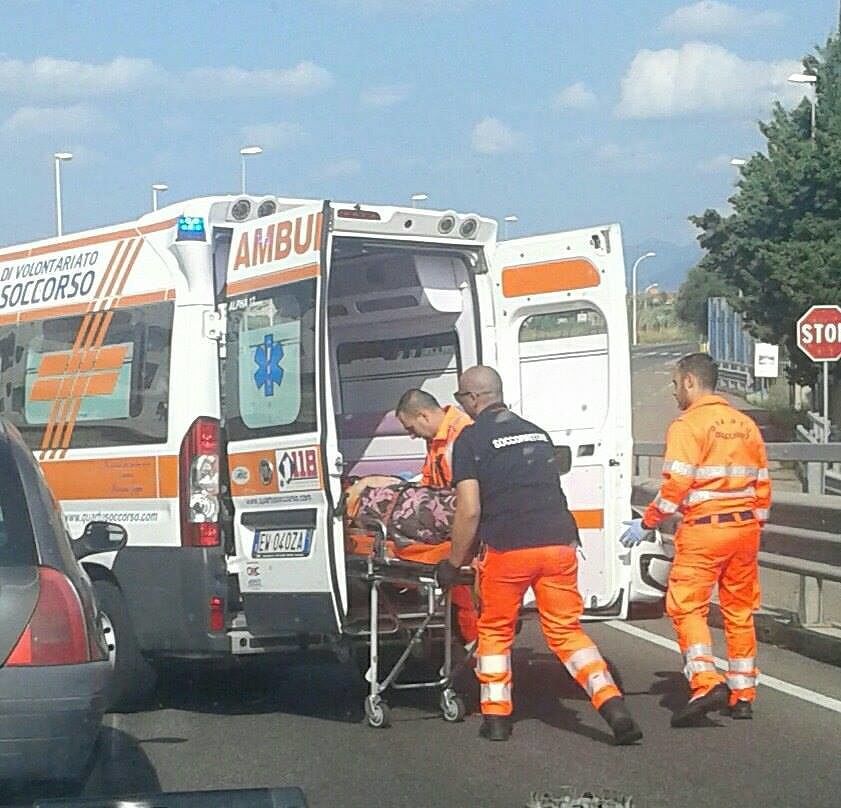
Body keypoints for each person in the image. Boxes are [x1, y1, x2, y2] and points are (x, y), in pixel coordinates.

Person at [435, 366, 642, 744]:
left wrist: (453, 563)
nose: (460, 405)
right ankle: (611, 704)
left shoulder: (470, 440)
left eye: (461, 398)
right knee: (566, 632)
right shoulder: (537, 432)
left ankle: (496, 717)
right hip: (559, 544)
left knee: (495, 631)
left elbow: (469, 510)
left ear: (474, 398)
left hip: (508, 547)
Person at [621, 352, 770, 727]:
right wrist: (753, 528)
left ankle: (705, 681)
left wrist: (648, 522)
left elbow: (676, 487)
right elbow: (763, 484)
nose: (673, 392)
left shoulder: (687, 425)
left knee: (686, 606)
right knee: (738, 610)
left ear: (689, 381)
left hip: (704, 530)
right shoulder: (745, 424)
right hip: (745, 530)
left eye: (675, 384)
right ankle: (743, 694)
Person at [395, 389, 478, 647]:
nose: (411, 434)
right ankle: (476, 657)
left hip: (467, 529)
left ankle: (480, 658)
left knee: (470, 601)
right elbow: (430, 485)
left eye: (411, 427)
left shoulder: (463, 435)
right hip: (452, 528)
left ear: (423, 415)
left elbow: (467, 500)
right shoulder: (437, 439)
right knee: (461, 602)